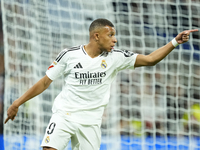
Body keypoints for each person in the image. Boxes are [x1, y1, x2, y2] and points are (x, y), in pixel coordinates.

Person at [4, 18, 198, 150]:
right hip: (65, 115)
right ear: (96, 36)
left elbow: (149, 60)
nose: (115, 39)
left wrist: (174, 42)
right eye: (110, 35)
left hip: (91, 123)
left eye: (115, 35)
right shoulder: (69, 55)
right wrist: (16, 103)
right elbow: (45, 82)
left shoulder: (116, 57)